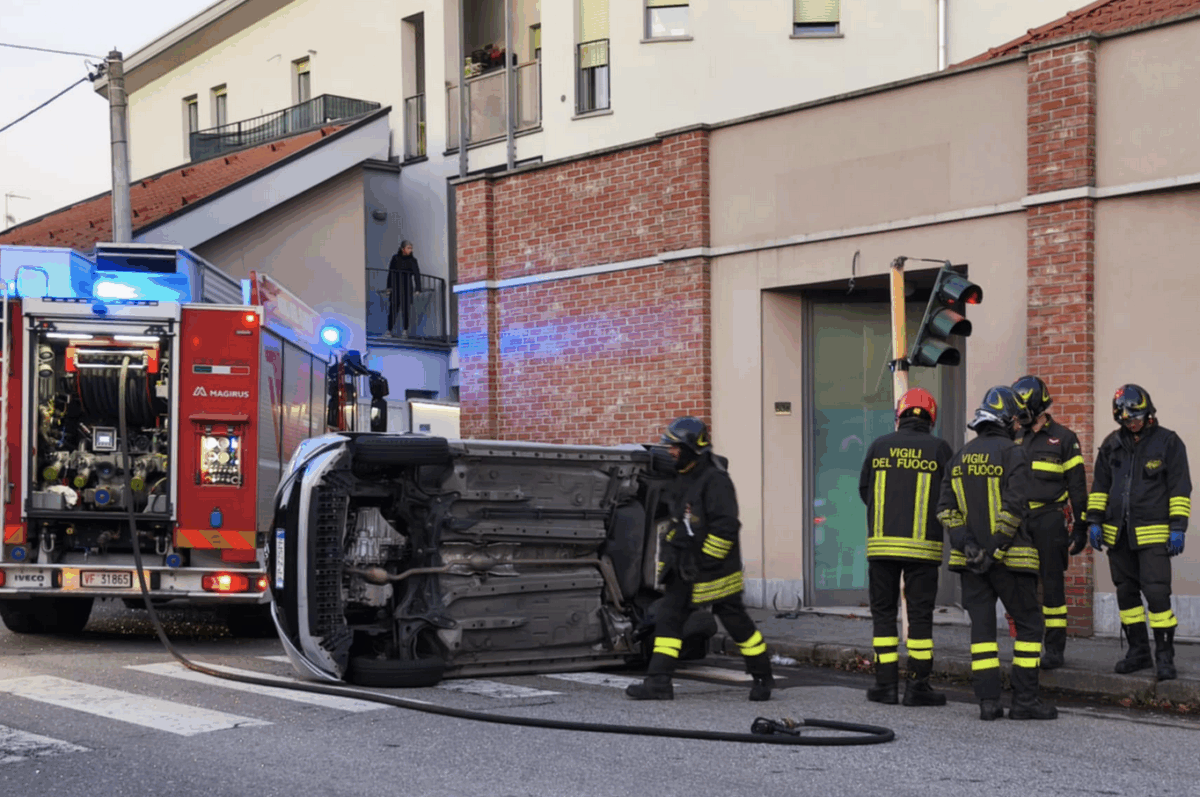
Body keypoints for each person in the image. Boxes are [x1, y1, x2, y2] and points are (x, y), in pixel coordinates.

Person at [626, 416, 774, 702]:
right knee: (669, 619)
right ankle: (658, 682)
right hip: (684, 567)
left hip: (715, 570)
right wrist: (668, 562)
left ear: (692, 448)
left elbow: (726, 527)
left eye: (675, 447)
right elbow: (679, 523)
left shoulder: (716, 481)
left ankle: (763, 677)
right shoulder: (684, 477)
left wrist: (706, 560)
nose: (670, 452)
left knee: (736, 622)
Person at [936, 386, 1057, 721]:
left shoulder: (959, 457)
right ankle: (1025, 702)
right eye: (1016, 420)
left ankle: (988, 703)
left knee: (983, 633)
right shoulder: (1013, 453)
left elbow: (946, 510)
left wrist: (969, 547)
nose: (1019, 426)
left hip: (971, 564)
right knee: (1030, 626)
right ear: (1007, 419)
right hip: (1011, 560)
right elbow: (1015, 505)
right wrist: (995, 548)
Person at [858, 387, 954, 707]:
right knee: (920, 616)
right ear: (931, 418)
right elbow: (950, 495)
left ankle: (885, 685)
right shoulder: (940, 449)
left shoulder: (879, 446)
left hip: (881, 547)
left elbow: (864, 490)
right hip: (923, 550)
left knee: (883, 615)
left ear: (899, 415)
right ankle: (917, 687)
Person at [1087, 384, 1191, 680]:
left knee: (1158, 595)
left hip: (1154, 535)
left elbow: (1180, 488)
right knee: (1126, 595)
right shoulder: (1111, 444)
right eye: (1127, 418)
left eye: (1138, 416)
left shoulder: (1168, 442)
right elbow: (1100, 487)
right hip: (1117, 536)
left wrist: (1178, 527)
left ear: (1149, 413)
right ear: (1119, 418)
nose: (1133, 422)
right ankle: (1138, 652)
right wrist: (1094, 520)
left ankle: (1165, 655)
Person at [1010, 375, 1089, 670]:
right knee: (1022, 585)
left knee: (1053, 588)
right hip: (1019, 521)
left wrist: (1080, 526)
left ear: (1040, 408)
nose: (1020, 419)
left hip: (1049, 519)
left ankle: (1055, 650)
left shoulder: (1065, 439)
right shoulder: (1014, 437)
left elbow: (1078, 487)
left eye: (1024, 412)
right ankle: (1027, 642)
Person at [387, 240, 421, 334]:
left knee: (406, 310)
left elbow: (417, 274)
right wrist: (389, 287)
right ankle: (389, 330)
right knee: (393, 309)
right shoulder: (395, 258)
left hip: (407, 287)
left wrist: (418, 288)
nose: (410, 250)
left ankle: (405, 330)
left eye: (411, 248)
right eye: (408, 248)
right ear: (403, 249)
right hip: (396, 286)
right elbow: (391, 273)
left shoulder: (413, 260)